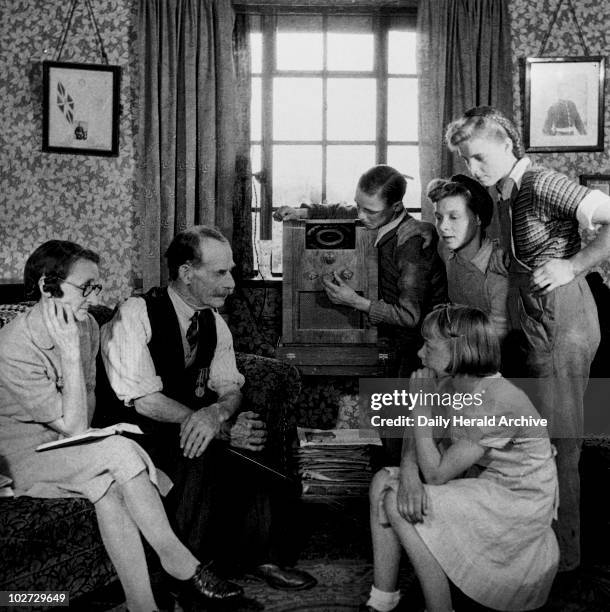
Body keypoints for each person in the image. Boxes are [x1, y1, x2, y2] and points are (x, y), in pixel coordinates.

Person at [0, 240, 244, 612]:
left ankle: (141, 605)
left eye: (96, 286)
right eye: (86, 287)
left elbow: (83, 413)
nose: (94, 296)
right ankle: (179, 562)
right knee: (118, 449)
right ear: (48, 287)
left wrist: (73, 349)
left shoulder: (86, 329)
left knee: (109, 487)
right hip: (19, 459)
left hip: (66, 446)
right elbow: (77, 425)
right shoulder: (13, 346)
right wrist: (67, 353)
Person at [100, 225, 316, 591]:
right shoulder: (135, 313)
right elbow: (144, 400)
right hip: (134, 436)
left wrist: (218, 414)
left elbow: (230, 388)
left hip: (189, 427)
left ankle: (261, 556)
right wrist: (216, 426)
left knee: (262, 458)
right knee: (197, 452)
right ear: (186, 272)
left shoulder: (213, 321)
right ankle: (186, 574)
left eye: (230, 270)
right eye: (220, 273)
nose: (231, 283)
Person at [445, 105, 610, 573]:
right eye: (467, 162)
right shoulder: (505, 194)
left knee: (562, 439)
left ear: (505, 142)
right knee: (538, 437)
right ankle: (542, 544)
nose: (473, 170)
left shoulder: (541, 182)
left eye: (479, 157)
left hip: (564, 318)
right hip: (535, 318)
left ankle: (565, 559)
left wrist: (573, 264)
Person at [363, 305, 559, 612]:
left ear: (460, 349)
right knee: (382, 482)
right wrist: (409, 472)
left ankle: (440, 608)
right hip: (483, 485)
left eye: (429, 345)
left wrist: (418, 410)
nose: (419, 353)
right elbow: (424, 446)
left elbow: (438, 474)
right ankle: (382, 601)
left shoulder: (498, 399)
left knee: (395, 503)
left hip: (518, 501)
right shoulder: (450, 384)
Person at [274, 165, 447, 379]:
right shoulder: (378, 217)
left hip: (417, 352)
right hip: (387, 339)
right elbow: (343, 211)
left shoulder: (412, 242)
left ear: (396, 206)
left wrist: (355, 301)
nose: (361, 216)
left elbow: (409, 316)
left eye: (370, 211)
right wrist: (302, 212)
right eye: (359, 205)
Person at [426, 174, 522, 374]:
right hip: (461, 353)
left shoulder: (497, 270)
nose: (443, 226)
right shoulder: (446, 249)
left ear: (478, 218)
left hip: (492, 363)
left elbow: (498, 341)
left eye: (454, 217)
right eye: (438, 217)